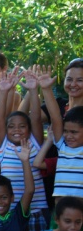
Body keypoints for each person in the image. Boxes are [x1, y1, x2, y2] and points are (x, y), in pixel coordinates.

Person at [0, 67, 48, 231]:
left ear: (29, 129)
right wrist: (3, 91)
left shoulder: (34, 142)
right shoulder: (3, 146)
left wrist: (33, 90)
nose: (16, 130)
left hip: (36, 210)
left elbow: (36, 117)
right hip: (9, 211)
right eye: (11, 127)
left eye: (22, 126)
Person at [39, 65, 83, 199]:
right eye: (69, 79)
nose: (73, 84)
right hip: (59, 205)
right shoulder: (63, 144)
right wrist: (45, 88)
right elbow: (56, 117)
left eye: (80, 80)